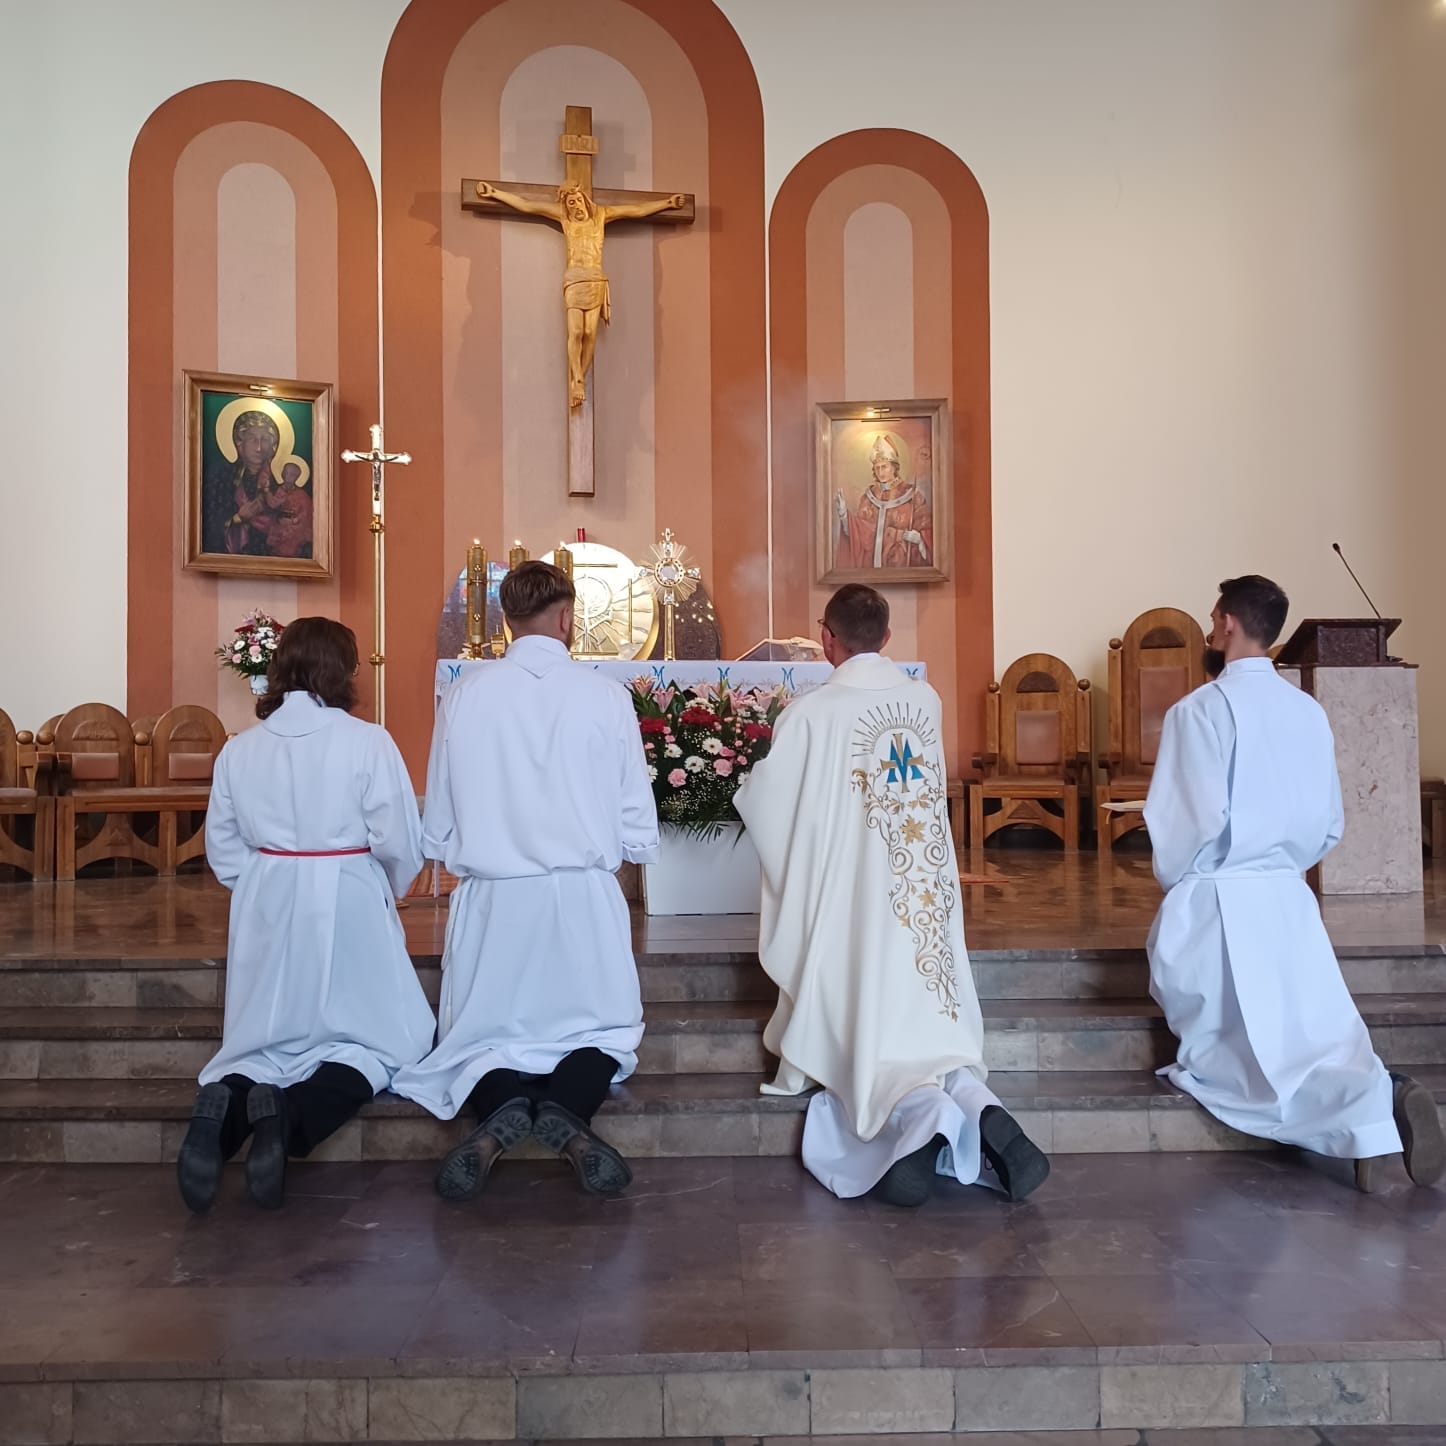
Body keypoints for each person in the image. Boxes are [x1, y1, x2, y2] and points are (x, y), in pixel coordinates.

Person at [733, 584, 1050, 1206]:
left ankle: (921, 1121)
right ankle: (975, 1103)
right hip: (920, 893)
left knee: (863, 1038)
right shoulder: (924, 701)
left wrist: (754, 794)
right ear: (886, 638)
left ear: (826, 638)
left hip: (848, 901)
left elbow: (770, 806)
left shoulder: (811, 713)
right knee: (928, 1021)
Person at [1145, 574, 1445, 1191]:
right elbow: (1328, 820)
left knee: (1242, 1068)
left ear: (1227, 622)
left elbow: (1188, 820)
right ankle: (1377, 1102)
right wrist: (1284, 866)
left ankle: (1367, 1110)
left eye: (1214, 616)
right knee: (1311, 1035)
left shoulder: (1198, 711)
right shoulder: (1308, 710)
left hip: (1221, 902)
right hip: (1289, 900)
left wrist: (1179, 884)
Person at [392, 561, 659, 1200]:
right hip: (581, 900)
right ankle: (568, 1120)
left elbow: (443, 806)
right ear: (566, 617)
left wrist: (442, 847)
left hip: (496, 899)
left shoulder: (466, 694)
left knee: (482, 1037)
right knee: (600, 1032)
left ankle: (497, 1121)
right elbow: (633, 805)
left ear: (507, 620)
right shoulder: (605, 696)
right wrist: (634, 848)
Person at [176, 617, 434, 1213]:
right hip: (348, 892)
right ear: (344, 671)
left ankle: (222, 1108)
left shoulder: (240, 749)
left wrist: (265, 884)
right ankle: (287, 1118)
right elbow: (398, 838)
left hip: (268, 893)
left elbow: (223, 847)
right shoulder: (367, 741)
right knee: (379, 1042)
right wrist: (384, 887)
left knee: (262, 1042)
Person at [473, 180, 687, 407]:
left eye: (578, 201)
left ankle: (579, 380)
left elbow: (636, 210)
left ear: (585, 200)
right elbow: (527, 205)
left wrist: (667, 203)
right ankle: (577, 378)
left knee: (589, 333)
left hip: (595, 278)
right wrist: (495, 193)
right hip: (574, 279)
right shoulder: (565, 219)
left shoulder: (601, 215)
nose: (576, 206)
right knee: (575, 331)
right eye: (571, 203)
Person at [834, 432, 934, 571]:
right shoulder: (868, 498)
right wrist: (844, 515)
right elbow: (860, 533)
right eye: (877, 468)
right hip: (871, 570)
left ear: (894, 467)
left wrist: (919, 538)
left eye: (884, 466)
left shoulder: (913, 496)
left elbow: (928, 530)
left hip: (902, 568)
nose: (880, 472)